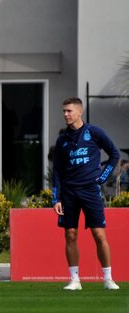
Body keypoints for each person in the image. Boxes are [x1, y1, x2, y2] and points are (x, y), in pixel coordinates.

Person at [52, 97, 120, 290]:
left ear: (79, 112)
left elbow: (114, 154)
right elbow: (57, 170)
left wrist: (102, 177)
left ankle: (108, 279)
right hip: (69, 193)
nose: (65, 114)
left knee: (99, 235)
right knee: (71, 235)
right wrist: (56, 198)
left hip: (90, 191)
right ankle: (74, 280)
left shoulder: (94, 132)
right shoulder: (62, 140)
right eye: (64, 111)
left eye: (69, 111)